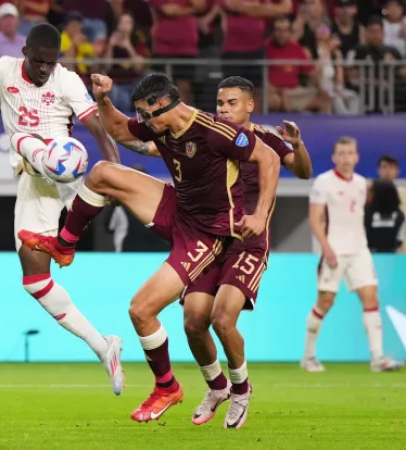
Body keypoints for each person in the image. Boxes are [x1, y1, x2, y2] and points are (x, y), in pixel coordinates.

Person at [19, 72, 281, 424]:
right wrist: (104, 100)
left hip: (209, 233)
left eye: (145, 112)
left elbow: (270, 159)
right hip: (179, 208)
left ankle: (171, 387)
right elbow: (119, 130)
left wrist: (261, 213)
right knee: (101, 173)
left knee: (142, 311)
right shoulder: (159, 125)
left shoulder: (214, 131)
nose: (142, 120)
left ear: (162, 104)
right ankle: (65, 244)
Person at [0, 24, 126, 395]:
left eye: (51, 62)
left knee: (23, 139)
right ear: (25, 51)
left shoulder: (68, 81)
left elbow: (98, 130)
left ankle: (60, 174)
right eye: (39, 61)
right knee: (35, 281)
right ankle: (103, 346)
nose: (44, 69)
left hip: (69, 166)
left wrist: (116, 173)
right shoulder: (2, 70)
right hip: (34, 181)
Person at [182, 76, 313, 428]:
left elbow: (303, 172)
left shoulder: (267, 139)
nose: (223, 109)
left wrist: (297, 147)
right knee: (194, 321)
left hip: (249, 243)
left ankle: (241, 389)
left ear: (249, 105)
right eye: (220, 103)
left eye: (232, 103)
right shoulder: (209, 136)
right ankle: (216, 386)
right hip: (209, 241)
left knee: (222, 319)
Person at [302, 136, 405, 373]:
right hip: (334, 251)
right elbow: (315, 219)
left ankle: (377, 358)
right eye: (342, 153)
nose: (346, 157)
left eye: (350, 153)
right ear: (334, 157)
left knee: (371, 299)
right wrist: (326, 248)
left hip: (360, 251)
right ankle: (308, 356)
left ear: (357, 157)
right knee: (325, 302)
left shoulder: (362, 184)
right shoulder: (323, 182)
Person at [365, 180, 405, 253]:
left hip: (391, 256)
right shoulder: (364, 212)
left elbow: (399, 239)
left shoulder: (399, 216)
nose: (367, 194)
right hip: (368, 254)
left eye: (371, 191)